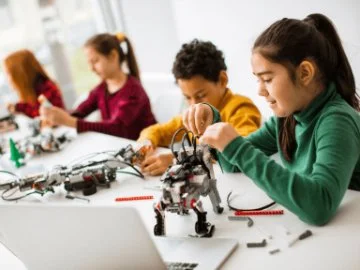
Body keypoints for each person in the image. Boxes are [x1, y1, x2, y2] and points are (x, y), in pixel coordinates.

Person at [183, 14, 360, 226]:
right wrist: (213, 120)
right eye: (258, 80)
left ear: (305, 73)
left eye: (267, 79)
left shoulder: (337, 121)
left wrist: (237, 148)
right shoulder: (287, 118)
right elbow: (232, 164)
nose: (260, 91)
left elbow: (320, 207)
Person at [139, 39, 261, 176]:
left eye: (201, 95)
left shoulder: (241, 108)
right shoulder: (194, 113)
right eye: (187, 97)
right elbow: (157, 131)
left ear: (222, 80)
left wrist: (179, 159)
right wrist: (145, 144)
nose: (194, 104)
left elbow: (244, 149)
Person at [40, 33, 156, 139]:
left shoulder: (133, 91)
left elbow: (116, 128)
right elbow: (80, 111)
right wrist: (56, 117)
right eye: (89, 63)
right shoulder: (101, 89)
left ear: (113, 56)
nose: (91, 69)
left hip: (149, 151)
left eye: (95, 61)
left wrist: (69, 121)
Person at [3, 49, 65, 118]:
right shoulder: (33, 90)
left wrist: (18, 108)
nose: (8, 79)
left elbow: (40, 115)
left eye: (9, 73)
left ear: (21, 74)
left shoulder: (47, 88)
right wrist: (16, 107)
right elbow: (29, 106)